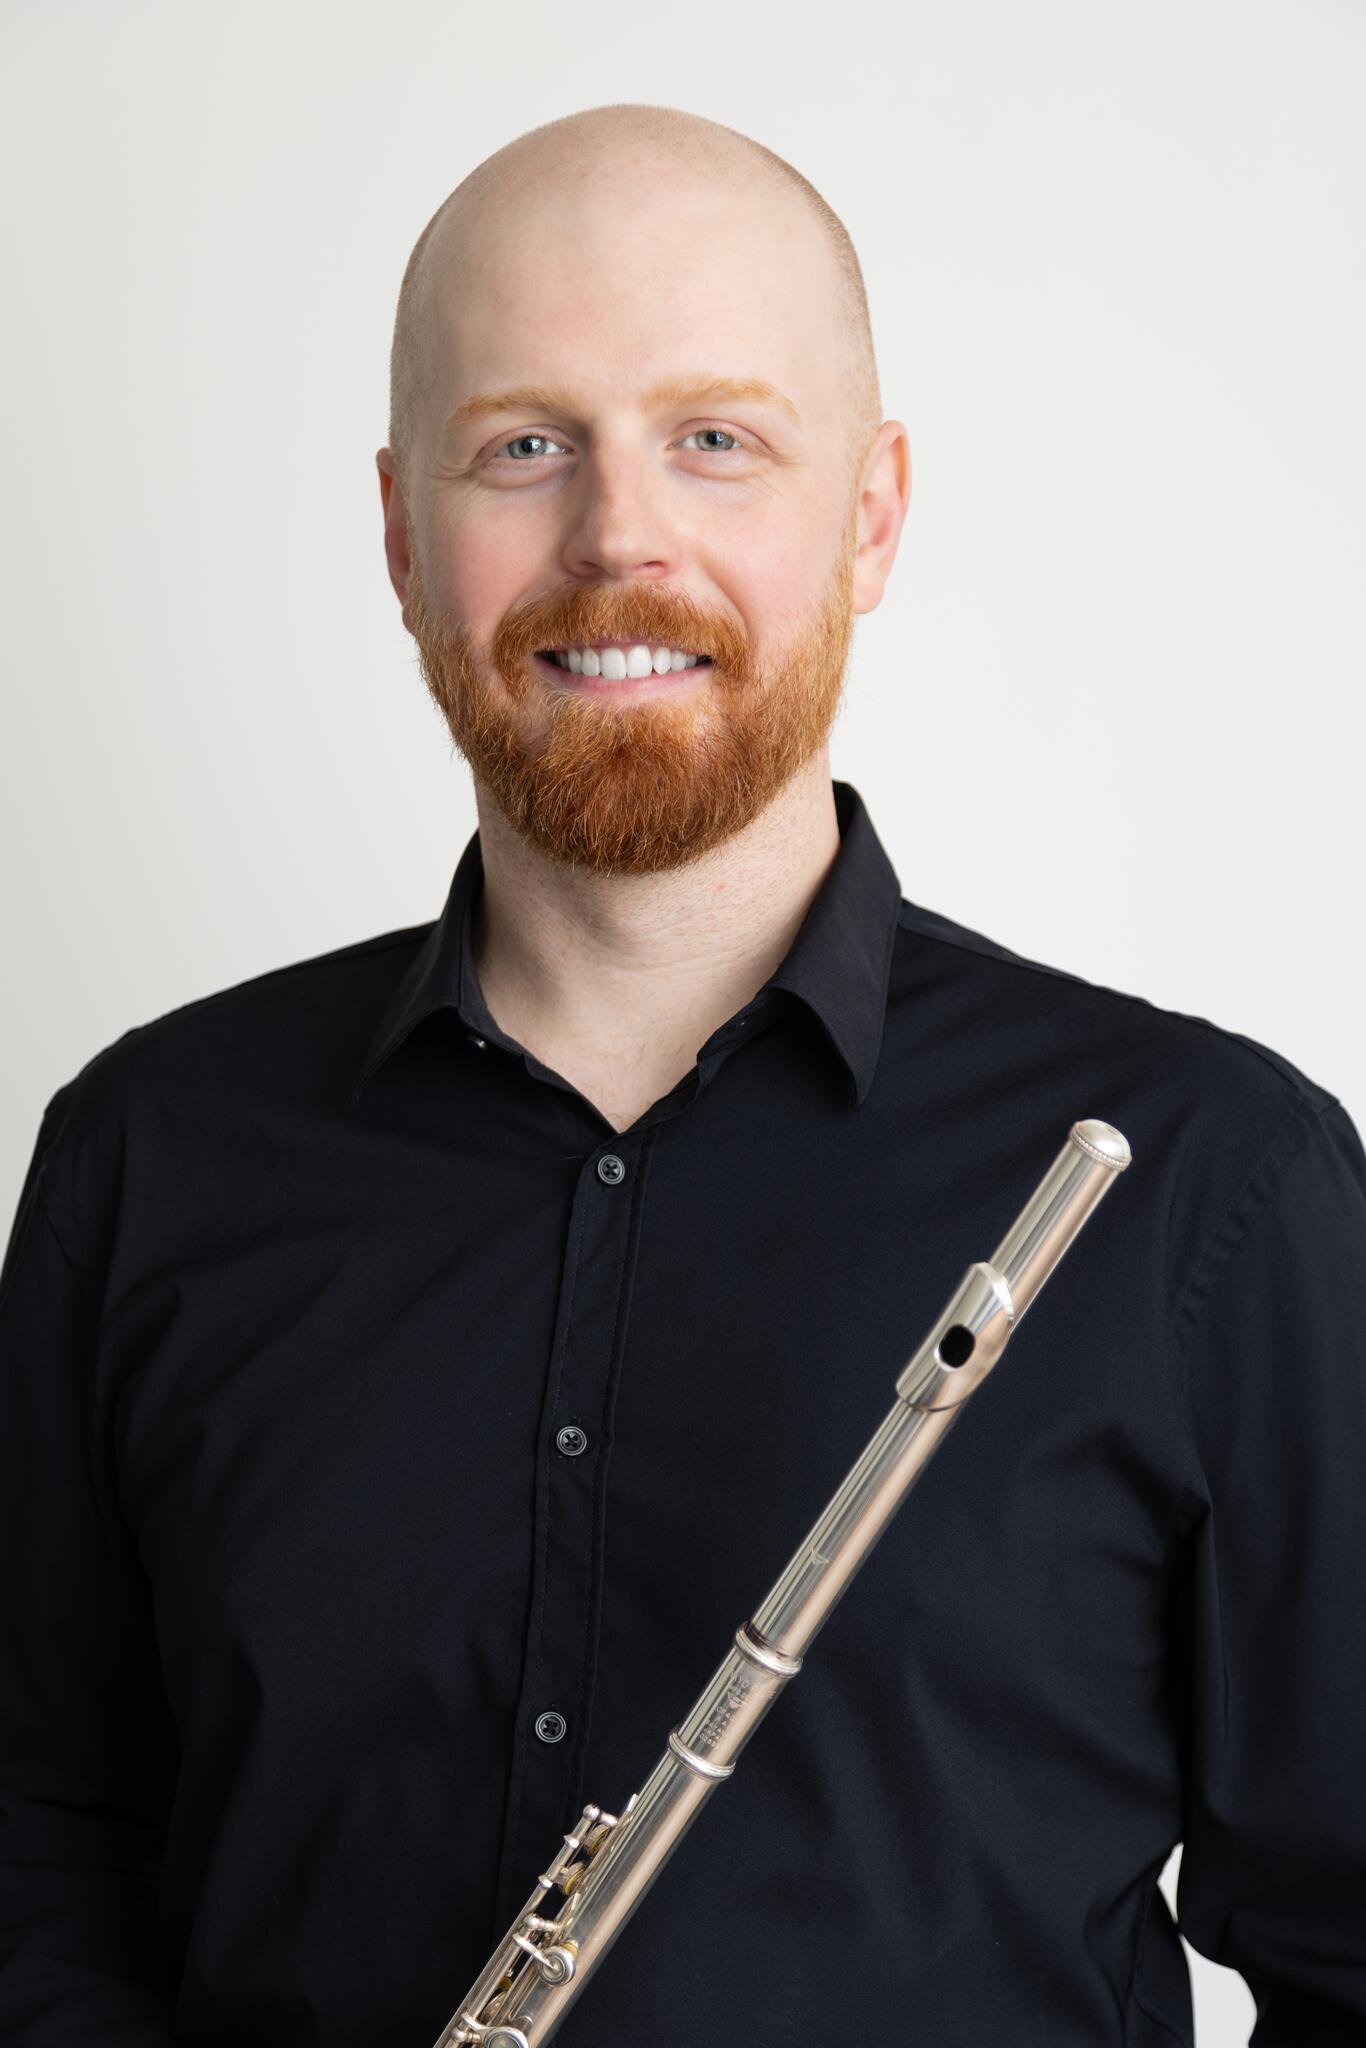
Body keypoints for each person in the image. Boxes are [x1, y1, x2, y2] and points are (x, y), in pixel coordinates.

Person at [1, 101, 1363, 2048]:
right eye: (522, 444)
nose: (617, 533)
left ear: (871, 512)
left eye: (714, 437)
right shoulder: (149, 1149)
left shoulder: (1205, 1183)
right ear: (400, 529)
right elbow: (41, 1847)